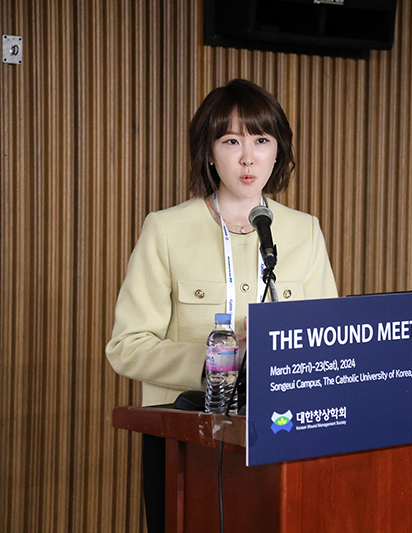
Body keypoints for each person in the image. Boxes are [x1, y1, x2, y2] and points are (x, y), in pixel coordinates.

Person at [106, 78, 338, 532]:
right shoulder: (166, 229)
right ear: (210, 152)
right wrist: (219, 360)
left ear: (278, 151)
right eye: (231, 141)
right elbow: (126, 347)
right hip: (184, 436)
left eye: (261, 140)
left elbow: (326, 343)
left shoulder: (304, 231)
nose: (248, 157)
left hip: (279, 431)